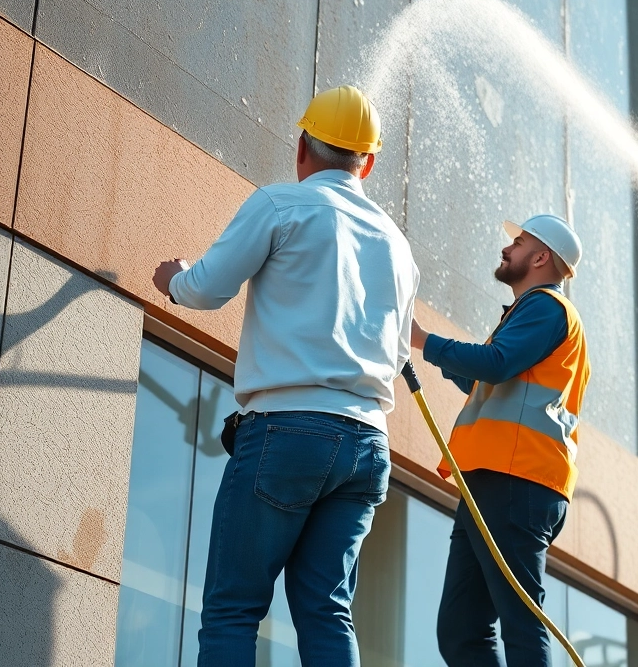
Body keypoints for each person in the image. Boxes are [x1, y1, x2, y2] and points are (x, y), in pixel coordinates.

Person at [152, 85, 418, 667]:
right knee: (328, 611)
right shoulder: (399, 247)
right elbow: (398, 351)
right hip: (368, 445)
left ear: (301, 147)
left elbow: (207, 288)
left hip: (288, 431)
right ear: (368, 164)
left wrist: (174, 280)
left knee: (233, 608)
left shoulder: (281, 205)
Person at [410, 214, 590, 667]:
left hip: (515, 479)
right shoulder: (535, 314)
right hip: (497, 480)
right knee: (461, 632)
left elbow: (494, 364)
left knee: (520, 624)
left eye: (519, 242)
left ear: (541, 257)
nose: (507, 248)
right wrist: (424, 349)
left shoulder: (547, 307)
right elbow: (484, 379)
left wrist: (422, 339)